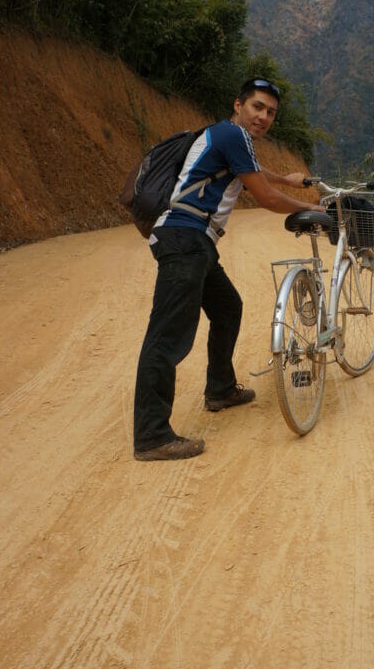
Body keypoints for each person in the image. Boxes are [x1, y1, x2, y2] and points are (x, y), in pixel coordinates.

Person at [133, 77, 323, 461]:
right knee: (168, 335)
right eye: (257, 107)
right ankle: (151, 435)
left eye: (270, 112)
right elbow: (265, 197)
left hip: (193, 241)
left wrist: (283, 177)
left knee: (227, 306)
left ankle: (220, 388)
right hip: (185, 238)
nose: (263, 116)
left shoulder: (228, 137)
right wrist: (314, 210)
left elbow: (251, 170)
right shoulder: (233, 136)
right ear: (238, 106)